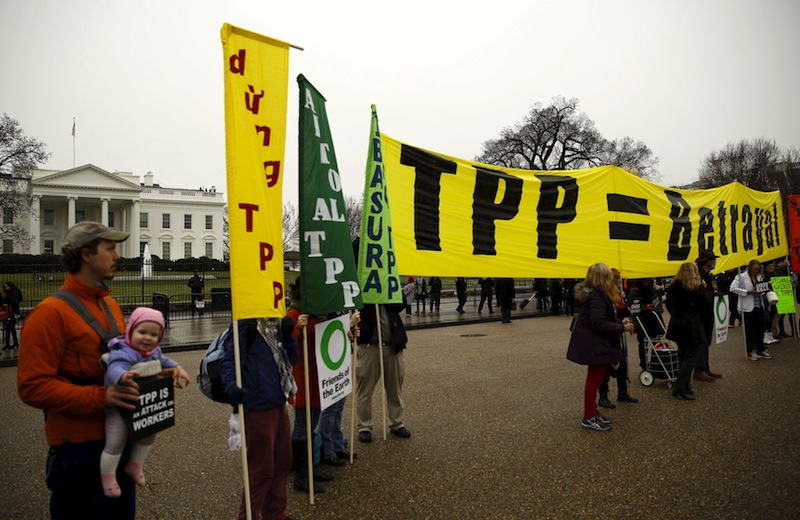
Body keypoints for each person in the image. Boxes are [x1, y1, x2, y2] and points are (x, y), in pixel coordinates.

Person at [17, 221, 140, 519]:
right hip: (78, 451)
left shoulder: (110, 305)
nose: (117, 255)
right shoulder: (49, 313)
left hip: (120, 443)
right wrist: (103, 397)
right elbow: (32, 386)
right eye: (110, 249)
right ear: (86, 255)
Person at [100, 307, 190, 497]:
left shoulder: (153, 351)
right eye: (142, 332)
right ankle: (107, 477)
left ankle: (135, 465)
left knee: (149, 434)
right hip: (118, 405)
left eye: (154, 334)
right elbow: (114, 366)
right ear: (131, 330)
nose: (147, 338)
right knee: (115, 441)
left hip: (141, 403)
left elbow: (165, 360)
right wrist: (123, 376)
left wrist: (179, 368)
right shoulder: (125, 350)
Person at [221, 313, 303, 520]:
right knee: (261, 468)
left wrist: (287, 334)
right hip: (257, 405)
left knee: (282, 461)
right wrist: (231, 385)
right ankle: (247, 515)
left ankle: (275, 514)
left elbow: (292, 358)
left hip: (278, 401)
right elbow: (230, 360)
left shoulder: (276, 325)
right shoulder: (245, 325)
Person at [567, 263, 634, 431]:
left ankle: (592, 412)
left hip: (594, 342)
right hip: (597, 343)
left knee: (595, 379)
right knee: (594, 379)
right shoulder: (597, 295)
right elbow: (598, 323)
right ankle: (589, 416)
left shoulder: (593, 294)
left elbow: (598, 320)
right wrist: (621, 327)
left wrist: (619, 322)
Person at [286, 278, 334, 493]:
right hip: (303, 377)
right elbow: (285, 342)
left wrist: (349, 333)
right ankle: (301, 474)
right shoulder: (295, 315)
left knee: (312, 423)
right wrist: (297, 328)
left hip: (317, 376)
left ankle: (309, 468)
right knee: (302, 426)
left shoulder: (317, 316)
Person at [355, 301, 411, 442]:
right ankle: (364, 426)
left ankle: (397, 422)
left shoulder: (390, 286)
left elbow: (402, 303)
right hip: (369, 345)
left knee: (395, 387)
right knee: (364, 388)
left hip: (393, 345)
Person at [318, 310, 361, 466]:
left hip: (340, 357)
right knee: (330, 408)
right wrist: (349, 324)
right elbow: (326, 333)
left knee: (339, 406)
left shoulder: (341, 306)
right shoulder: (327, 307)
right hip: (329, 358)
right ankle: (327, 450)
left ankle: (337, 444)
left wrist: (350, 332)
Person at [665, 262, 708, 400]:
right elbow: (704, 305)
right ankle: (681, 386)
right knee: (690, 357)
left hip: (678, 323)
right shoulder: (697, 287)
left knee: (682, 355)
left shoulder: (674, 285)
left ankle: (685, 385)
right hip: (692, 324)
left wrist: (677, 314)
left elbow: (669, 304)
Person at [598, 269, 638, 407]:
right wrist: (621, 323)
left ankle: (622, 392)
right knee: (606, 368)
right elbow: (605, 318)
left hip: (615, 333)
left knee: (622, 364)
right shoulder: (604, 296)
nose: (619, 283)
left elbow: (624, 311)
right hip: (608, 335)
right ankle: (603, 396)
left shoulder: (614, 294)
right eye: (618, 280)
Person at [729, 260, 773, 361]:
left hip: (759, 305)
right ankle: (750, 350)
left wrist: (764, 290)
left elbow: (761, 288)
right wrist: (747, 292)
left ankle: (760, 349)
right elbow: (732, 288)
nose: (756, 271)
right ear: (750, 268)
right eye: (754, 269)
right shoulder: (741, 277)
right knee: (750, 330)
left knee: (760, 328)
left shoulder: (759, 277)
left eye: (758, 270)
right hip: (748, 307)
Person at [694, 249, 723, 382]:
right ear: (708, 261)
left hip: (706, 313)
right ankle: (699, 370)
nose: (715, 262)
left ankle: (705, 368)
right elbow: (700, 295)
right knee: (701, 342)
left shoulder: (706, 274)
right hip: (700, 314)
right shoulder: (698, 275)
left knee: (706, 341)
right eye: (713, 260)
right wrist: (713, 295)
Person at [626, 278, 664, 371]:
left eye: (648, 281)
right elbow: (631, 306)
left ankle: (656, 363)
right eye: (645, 282)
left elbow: (656, 301)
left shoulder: (651, 290)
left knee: (656, 341)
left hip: (653, 319)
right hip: (641, 320)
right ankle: (644, 365)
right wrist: (646, 307)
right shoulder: (634, 292)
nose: (647, 283)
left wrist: (658, 308)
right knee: (643, 343)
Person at [3, 280, 23, 351]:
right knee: (11, 328)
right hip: (12, 313)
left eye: (7, 286)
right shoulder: (12, 293)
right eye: (5, 287)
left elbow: (14, 302)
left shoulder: (12, 293)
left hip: (11, 313)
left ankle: (9, 344)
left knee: (9, 328)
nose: (6, 288)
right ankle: (14, 343)